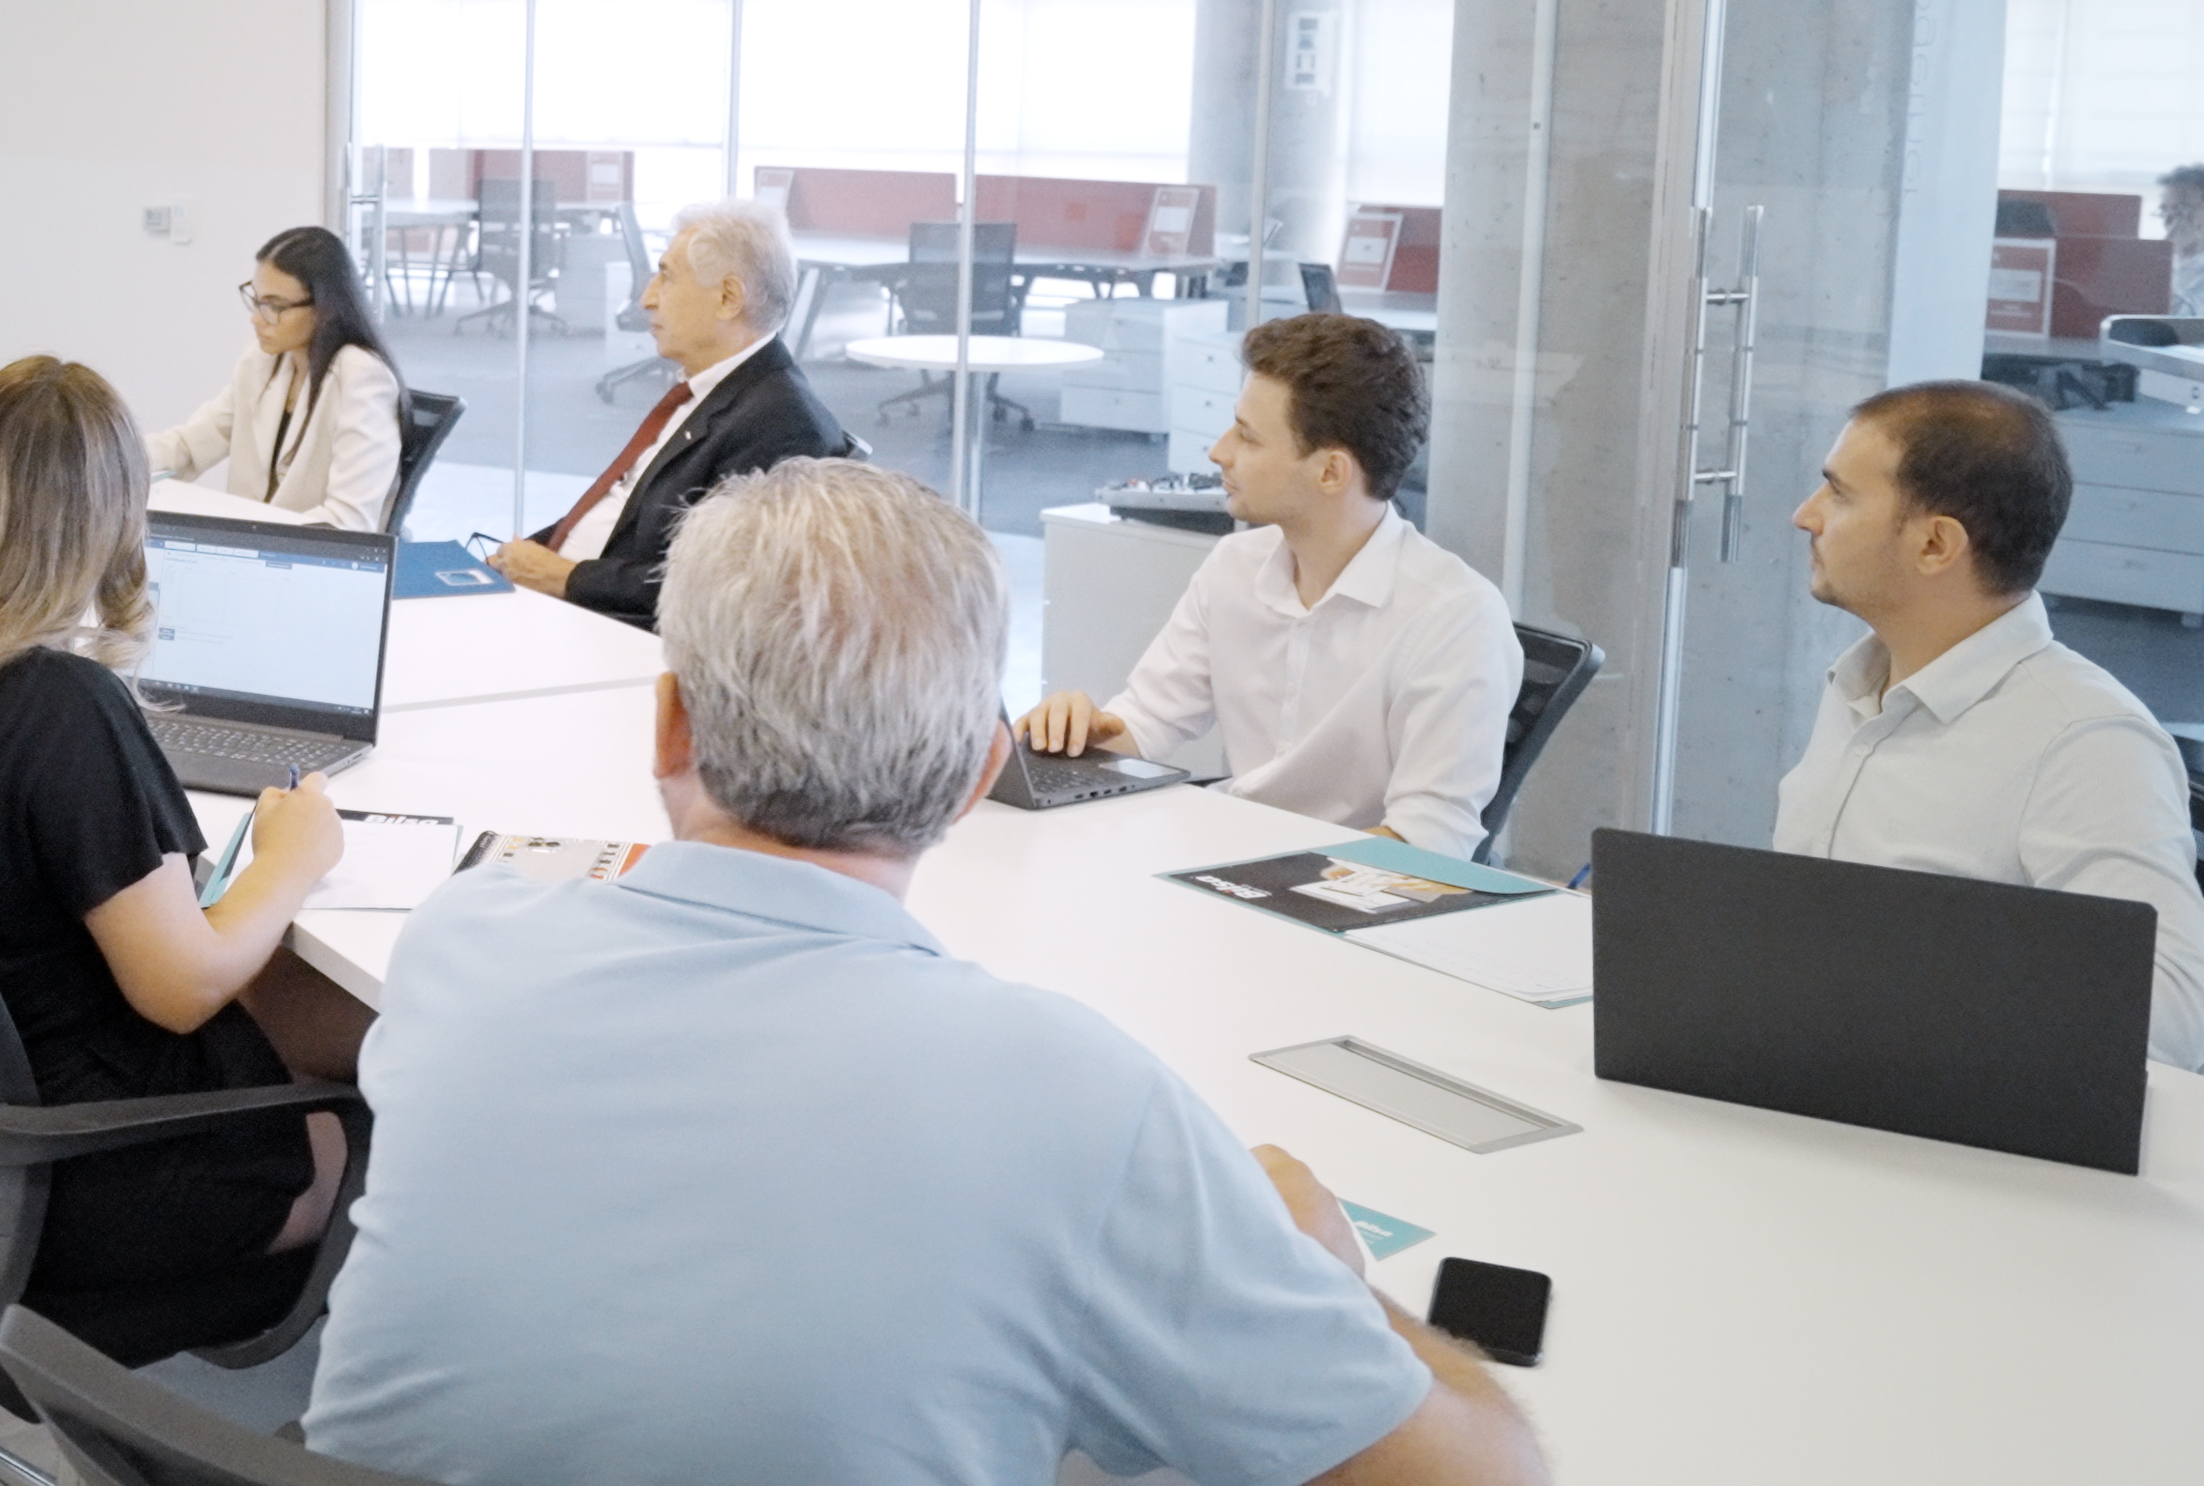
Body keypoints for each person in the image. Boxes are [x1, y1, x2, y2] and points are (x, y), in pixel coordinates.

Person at [302, 459, 1547, 1486]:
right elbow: (1487, 1477)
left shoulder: (469, 934)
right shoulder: (1074, 1100)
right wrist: (1328, 1280)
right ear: (974, 776)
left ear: (670, 724)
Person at [0, 356, 366, 1363]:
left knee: (303, 1008)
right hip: (75, 1177)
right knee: (387, 1075)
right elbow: (182, 990)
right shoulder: (59, 706)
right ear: (113, 518)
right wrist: (292, 858)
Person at [1772, 380, 2204, 1071]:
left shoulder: (2087, 740)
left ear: (1936, 544)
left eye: (1839, 494)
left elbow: (2171, 1021)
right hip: (1810, 1078)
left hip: (1935, 1114)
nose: (1806, 515)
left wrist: (1906, 993)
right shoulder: (1862, 684)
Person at [1024, 313, 1519, 857]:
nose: (1219, 451)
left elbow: (1426, 843)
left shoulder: (1455, 616)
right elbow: (1147, 722)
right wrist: (1077, 733)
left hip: (1337, 892)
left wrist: (1257, 875)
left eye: (1248, 436)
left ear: (1330, 472)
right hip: (1232, 860)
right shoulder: (1234, 566)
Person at [488, 198, 847, 628]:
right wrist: (524, 559)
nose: (647, 298)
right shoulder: (707, 393)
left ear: (728, 297)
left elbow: (724, 588)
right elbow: (620, 517)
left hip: (615, 633)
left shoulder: (781, 424)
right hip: (566, 604)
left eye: (666, 277)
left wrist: (562, 576)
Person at [148, 225, 406, 530]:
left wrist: (259, 542)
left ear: (325, 308)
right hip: (253, 543)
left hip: (313, 552)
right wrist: (111, 459)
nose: (256, 318)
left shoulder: (362, 378)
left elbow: (348, 519)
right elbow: (190, 445)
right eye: (257, 301)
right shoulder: (262, 361)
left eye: (275, 306)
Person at [2161, 163, 2204, 318]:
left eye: (2180, 209)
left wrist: (2160, 262)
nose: (2169, 220)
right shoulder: (2172, 263)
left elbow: (2187, 322)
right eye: (2164, 210)